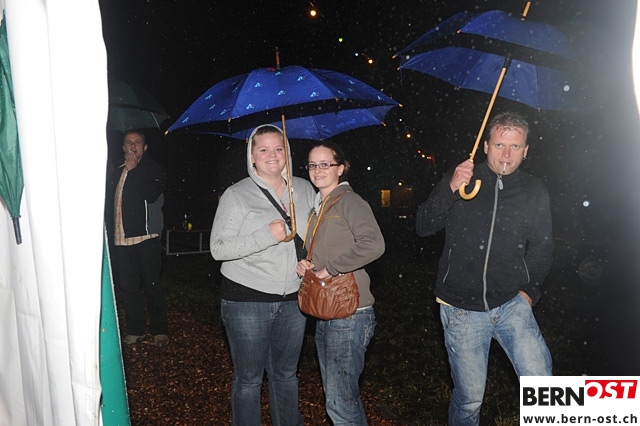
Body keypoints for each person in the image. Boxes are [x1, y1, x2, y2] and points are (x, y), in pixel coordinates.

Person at [416, 111, 554, 425]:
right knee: (469, 400)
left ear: (526, 151)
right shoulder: (462, 178)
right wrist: (450, 188)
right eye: (500, 145)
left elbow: (543, 245)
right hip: (460, 308)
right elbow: (423, 225)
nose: (506, 154)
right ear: (486, 146)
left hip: (511, 303)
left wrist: (528, 292)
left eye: (515, 146)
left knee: (542, 384)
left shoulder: (533, 190)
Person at [210, 124, 316, 426]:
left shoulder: (304, 190)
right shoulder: (237, 194)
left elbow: (316, 236)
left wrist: (311, 259)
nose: (272, 155)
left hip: (294, 300)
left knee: (286, 375)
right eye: (264, 149)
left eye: (279, 148)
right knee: (249, 379)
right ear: (252, 156)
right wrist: (266, 236)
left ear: (287, 153)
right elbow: (218, 248)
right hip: (246, 300)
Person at [296, 141, 385, 426]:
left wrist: (332, 268)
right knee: (338, 397)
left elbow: (374, 244)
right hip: (328, 311)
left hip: (350, 313)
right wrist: (307, 264)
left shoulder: (349, 202)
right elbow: (323, 251)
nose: (317, 170)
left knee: (340, 401)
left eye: (325, 164)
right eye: (312, 164)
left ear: (341, 168)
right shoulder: (319, 207)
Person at [107, 130, 169, 348]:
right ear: (123, 147)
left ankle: (160, 330)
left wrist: (134, 171)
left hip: (146, 237)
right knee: (127, 287)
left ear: (145, 147)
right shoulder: (116, 171)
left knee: (152, 286)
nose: (132, 145)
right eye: (128, 142)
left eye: (137, 142)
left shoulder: (152, 169)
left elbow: (151, 195)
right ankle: (136, 330)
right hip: (120, 238)